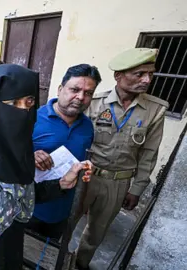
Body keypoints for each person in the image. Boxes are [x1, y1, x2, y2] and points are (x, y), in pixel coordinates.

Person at [0, 64, 93, 270]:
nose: (24, 111)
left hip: (12, 246)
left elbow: (24, 193)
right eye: (14, 103)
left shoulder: (21, 148)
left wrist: (62, 183)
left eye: (29, 102)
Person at [74, 48, 169, 270]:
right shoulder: (94, 102)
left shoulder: (154, 110)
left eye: (150, 75)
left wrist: (137, 188)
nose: (146, 80)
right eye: (139, 74)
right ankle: (58, 258)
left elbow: (149, 152)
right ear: (119, 76)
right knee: (67, 223)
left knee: (96, 233)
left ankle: (79, 264)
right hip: (85, 176)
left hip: (118, 182)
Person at [25, 64, 101, 240]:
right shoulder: (32, 118)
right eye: (75, 89)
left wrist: (87, 169)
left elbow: (81, 162)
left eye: (88, 93)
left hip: (64, 210)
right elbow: (10, 157)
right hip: (30, 207)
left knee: (47, 257)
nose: (81, 97)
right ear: (60, 89)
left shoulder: (87, 126)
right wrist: (30, 156)